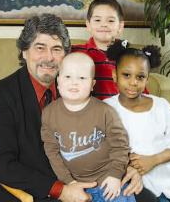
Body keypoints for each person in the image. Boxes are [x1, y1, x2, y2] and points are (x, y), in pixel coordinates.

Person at [0, 13, 144, 202]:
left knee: (145, 197)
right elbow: (1, 165)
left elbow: (102, 135)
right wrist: (60, 190)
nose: (49, 57)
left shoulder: (76, 87)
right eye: (40, 48)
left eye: (57, 49)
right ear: (24, 52)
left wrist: (124, 168)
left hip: (89, 180)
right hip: (37, 190)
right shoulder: (1, 96)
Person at [41, 52, 136, 202]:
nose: (74, 82)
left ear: (92, 85)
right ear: (58, 81)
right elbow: (52, 153)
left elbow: (121, 145)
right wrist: (69, 182)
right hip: (73, 185)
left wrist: (115, 175)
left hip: (108, 182)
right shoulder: (48, 114)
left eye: (82, 78)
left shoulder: (105, 111)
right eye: (68, 77)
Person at [104, 40, 170, 202]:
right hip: (134, 188)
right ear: (115, 75)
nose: (133, 82)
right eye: (126, 75)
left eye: (140, 77)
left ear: (147, 79)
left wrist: (153, 160)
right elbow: (102, 148)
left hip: (168, 185)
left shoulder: (161, 106)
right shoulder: (106, 109)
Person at [72, 0, 124, 100]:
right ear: (88, 25)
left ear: (120, 26)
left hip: (118, 113)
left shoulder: (128, 55)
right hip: (88, 112)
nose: (104, 24)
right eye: (97, 20)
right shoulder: (74, 52)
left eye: (110, 21)